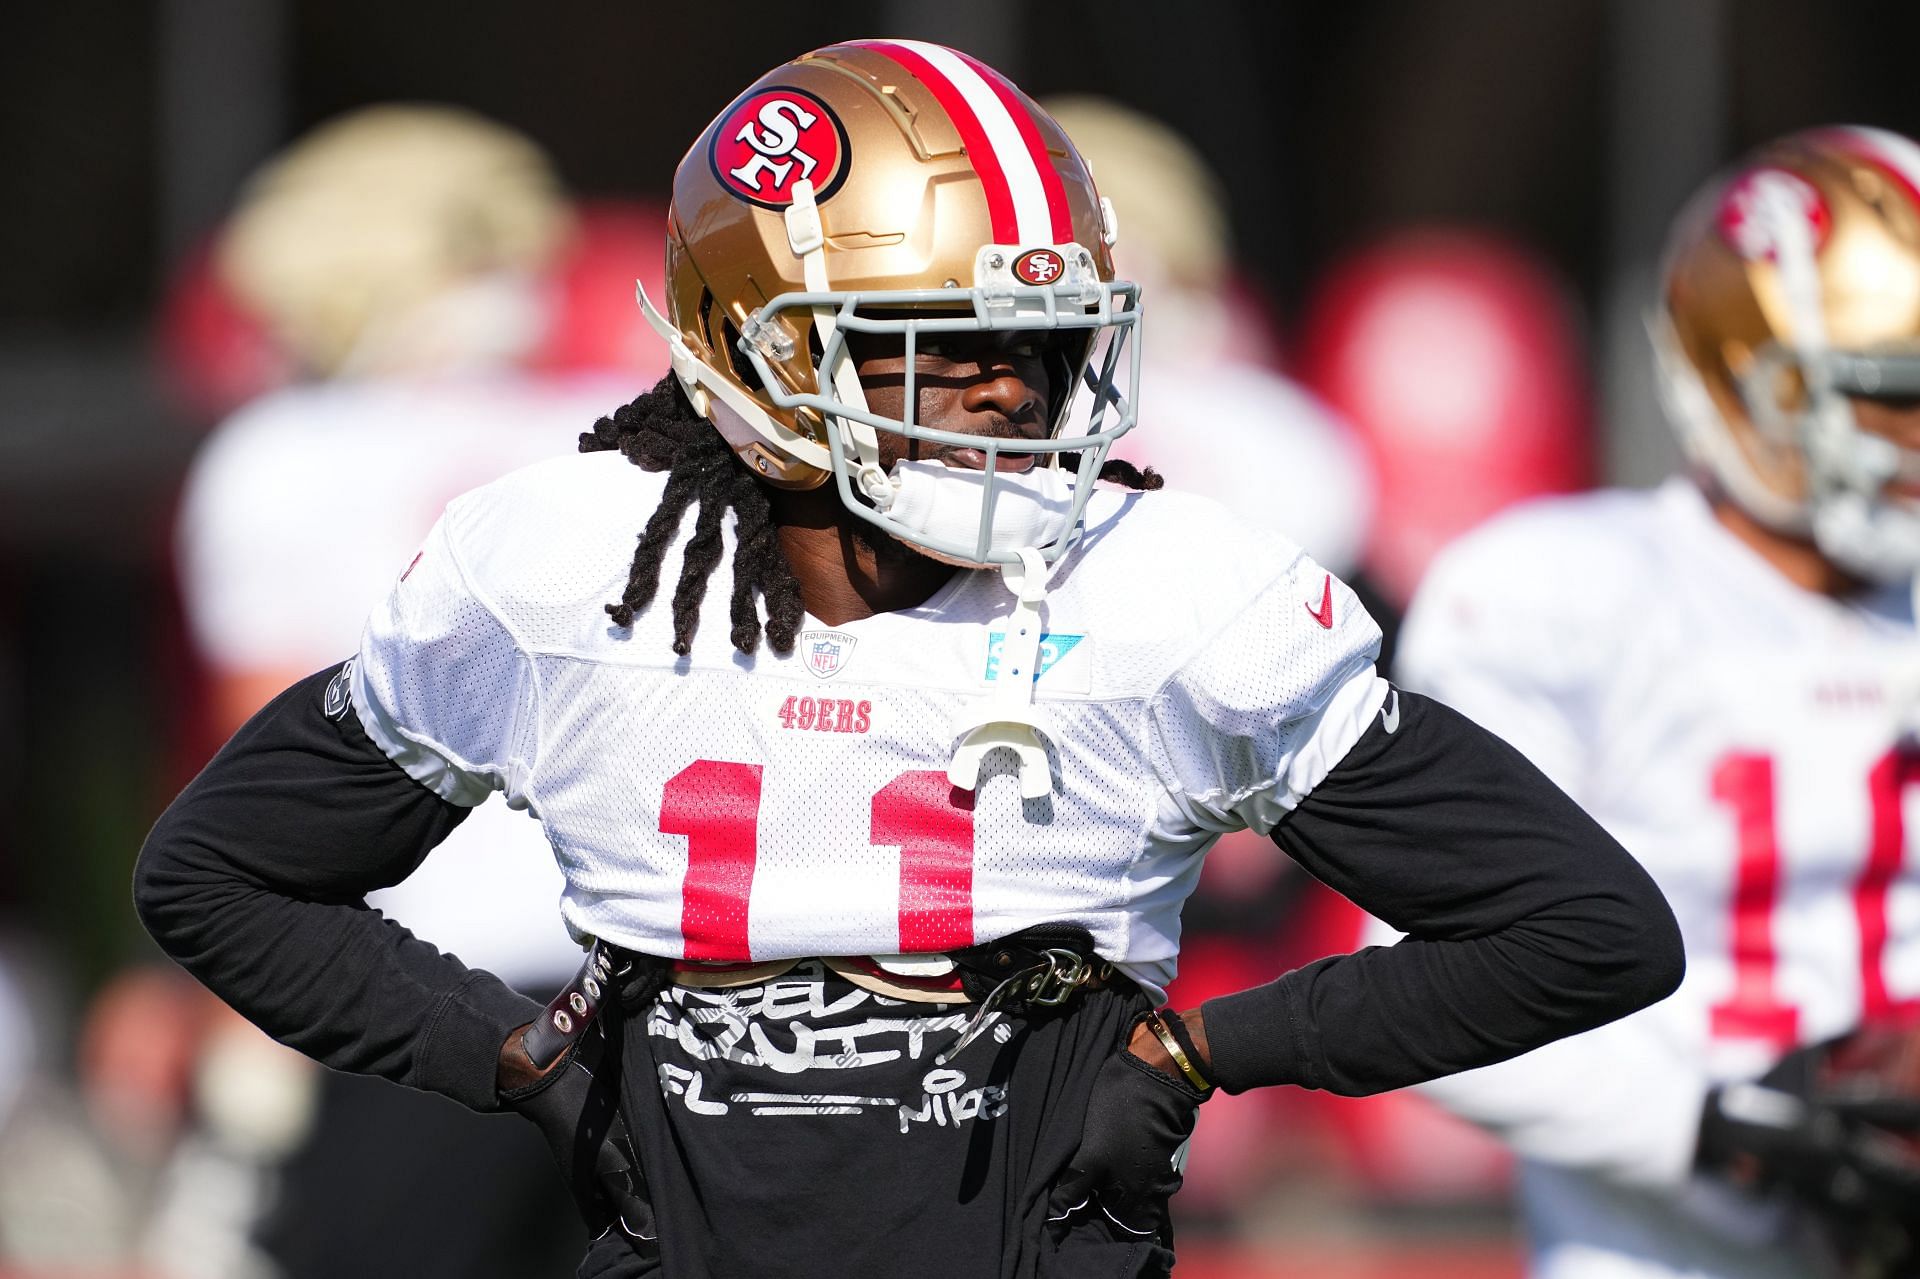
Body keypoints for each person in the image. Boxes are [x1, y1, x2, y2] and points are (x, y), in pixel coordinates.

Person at [134, 40, 1682, 1279]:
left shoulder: (1169, 586)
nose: (1010, 394)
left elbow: (1583, 924)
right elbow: (217, 872)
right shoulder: (557, 570)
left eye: (1046, 343)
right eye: (936, 342)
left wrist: (1218, 1043)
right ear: (761, 348)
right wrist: (511, 1053)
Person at [1371, 126, 1920, 1278]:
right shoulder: (1566, 596)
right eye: (1889, 400)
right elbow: (1428, 980)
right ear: (1746, 385)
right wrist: (1729, 1124)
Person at [173, 104, 651, 1279]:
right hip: (655, 975)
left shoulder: (284, 456)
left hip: (431, 990)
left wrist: (253, 1034)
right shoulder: (621, 442)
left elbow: (271, 812)